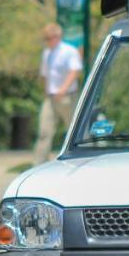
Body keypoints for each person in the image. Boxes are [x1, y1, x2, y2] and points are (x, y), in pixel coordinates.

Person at [32, 24, 83, 164]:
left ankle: (80, 159)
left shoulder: (69, 51)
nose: (47, 41)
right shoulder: (47, 53)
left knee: (73, 131)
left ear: (57, 37)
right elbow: (45, 75)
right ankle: (39, 164)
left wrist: (63, 89)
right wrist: (46, 90)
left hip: (67, 96)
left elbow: (75, 71)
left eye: (49, 38)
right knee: (44, 132)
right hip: (51, 97)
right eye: (45, 38)